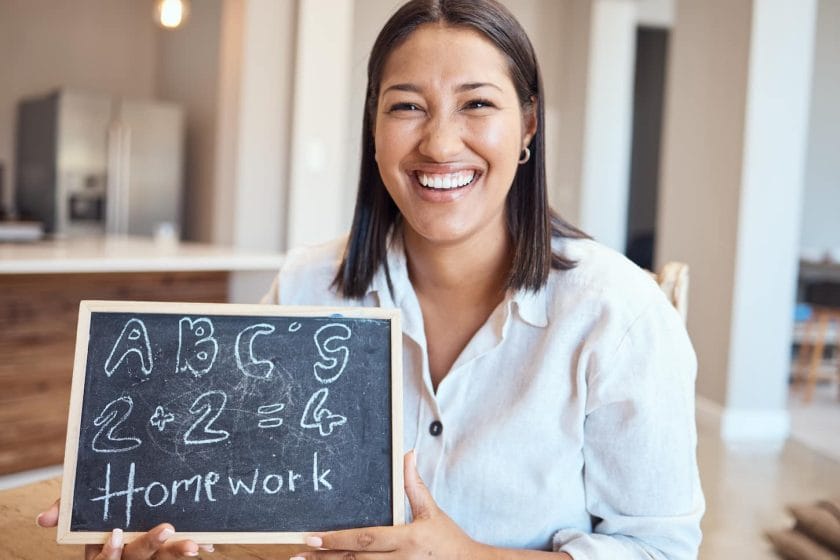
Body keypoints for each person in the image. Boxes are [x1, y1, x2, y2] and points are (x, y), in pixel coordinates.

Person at [37, 0, 704, 558]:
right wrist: (149, 520)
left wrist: (466, 556)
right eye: (407, 107)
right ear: (374, 131)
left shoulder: (619, 316)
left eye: (477, 103)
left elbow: (661, 550)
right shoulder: (305, 287)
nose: (441, 144)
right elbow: (232, 484)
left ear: (528, 124)